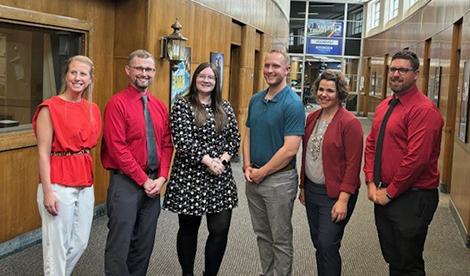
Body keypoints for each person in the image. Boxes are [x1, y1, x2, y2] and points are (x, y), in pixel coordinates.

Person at [364, 49, 444, 275]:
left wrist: (390, 192)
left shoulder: (424, 110)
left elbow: (416, 159)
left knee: (409, 263)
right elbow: (371, 144)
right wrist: (371, 181)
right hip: (384, 193)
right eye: (393, 69)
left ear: (416, 74)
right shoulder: (386, 105)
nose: (396, 74)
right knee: (393, 257)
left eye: (402, 70)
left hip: (413, 197)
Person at [101, 49, 173, 276]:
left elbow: (166, 144)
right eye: (139, 68)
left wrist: (161, 178)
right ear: (128, 70)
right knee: (120, 245)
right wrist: (143, 181)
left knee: (144, 244)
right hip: (126, 184)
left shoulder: (160, 106)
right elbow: (117, 148)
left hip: (154, 185)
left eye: (149, 69)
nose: (144, 73)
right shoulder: (117, 103)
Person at [164, 63, 240, 276]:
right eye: (202, 76)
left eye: (211, 78)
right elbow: (183, 141)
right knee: (189, 230)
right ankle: (187, 273)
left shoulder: (224, 107)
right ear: (195, 79)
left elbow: (234, 139)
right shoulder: (182, 105)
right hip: (190, 178)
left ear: (217, 82)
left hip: (220, 178)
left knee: (220, 230)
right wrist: (209, 161)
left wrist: (222, 162)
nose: (206, 80)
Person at [33, 55, 101, 276]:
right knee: (57, 247)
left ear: (90, 79)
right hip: (58, 179)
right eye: (73, 72)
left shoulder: (92, 109)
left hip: (84, 178)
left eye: (83, 74)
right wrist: (48, 191)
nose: (77, 78)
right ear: (65, 75)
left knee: (80, 242)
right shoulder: (49, 108)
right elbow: (43, 153)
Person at [243, 49, 305, 276]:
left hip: (279, 180)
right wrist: (247, 165)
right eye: (267, 65)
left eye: (276, 66)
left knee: (280, 238)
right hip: (254, 178)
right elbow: (248, 133)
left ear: (287, 69)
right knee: (262, 234)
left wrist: (263, 172)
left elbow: (290, 149)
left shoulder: (293, 104)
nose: (270, 70)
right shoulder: (256, 100)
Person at [298, 70, 363, 276]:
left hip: (335, 195)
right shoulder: (312, 118)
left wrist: (343, 199)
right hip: (312, 191)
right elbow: (307, 155)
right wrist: (303, 187)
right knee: (319, 243)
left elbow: (353, 165)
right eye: (321, 89)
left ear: (340, 94)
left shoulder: (350, 123)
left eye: (330, 91)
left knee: (328, 244)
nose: (323, 94)